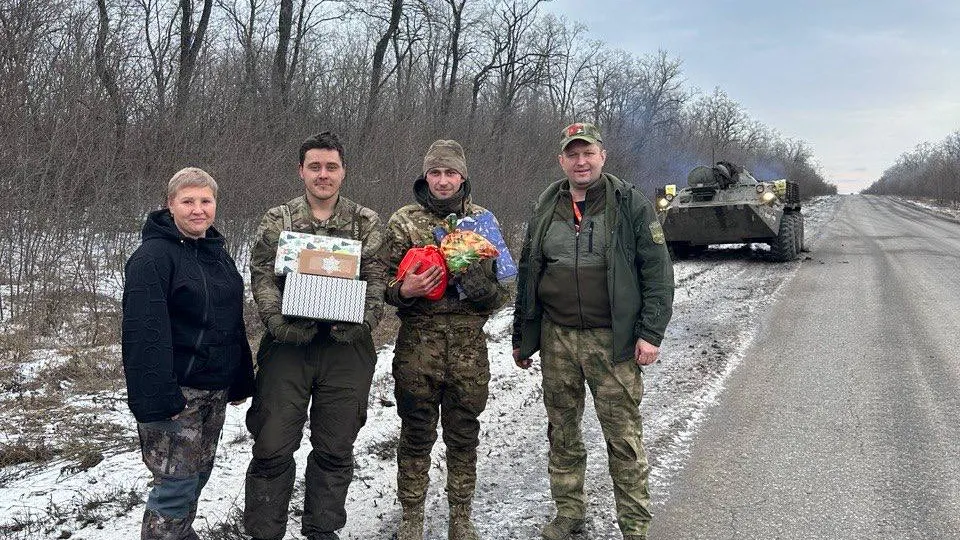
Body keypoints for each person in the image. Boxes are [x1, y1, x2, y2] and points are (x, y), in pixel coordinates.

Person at [511, 123, 674, 540]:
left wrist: (650, 332)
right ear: (561, 160)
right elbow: (530, 271)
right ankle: (569, 513)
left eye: (589, 154)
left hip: (613, 340)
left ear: (602, 156)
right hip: (558, 337)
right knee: (562, 433)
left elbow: (657, 272)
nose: (581, 162)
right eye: (573, 154)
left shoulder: (630, 204)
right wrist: (524, 336)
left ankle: (635, 525)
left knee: (623, 438)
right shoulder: (547, 203)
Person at [243, 131, 387, 540]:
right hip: (289, 344)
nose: (323, 175)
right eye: (315, 167)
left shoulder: (366, 221)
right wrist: (276, 322)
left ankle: (322, 531)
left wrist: (363, 321)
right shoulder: (279, 219)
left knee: (336, 446)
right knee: (272, 443)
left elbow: (377, 279)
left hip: (346, 346)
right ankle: (264, 532)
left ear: (344, 171)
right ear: (301, 171)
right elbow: (261, 275)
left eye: (332, 167)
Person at [383, 140, 508, 540]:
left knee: (463, 434)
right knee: (416, 433)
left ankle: (461, 517)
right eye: (435, 173)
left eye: (450, 173)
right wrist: (404, 289)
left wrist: (479, 286)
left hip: (469, 346)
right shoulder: (403, 221)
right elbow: (378, 282)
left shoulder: (483, 221)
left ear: (463, 177)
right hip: (418, 344)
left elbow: (506, 287)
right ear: (425, 176)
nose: (442, 181)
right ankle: (412, 518)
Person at [121, 167, 255, 540]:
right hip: (175, 394)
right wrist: (160, 397)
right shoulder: (153, 258)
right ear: (170, 205)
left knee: (196, 478)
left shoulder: (216, 253)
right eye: (188, 201)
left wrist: (239, 377)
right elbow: (142, 333)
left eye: (206, 201)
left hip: (213, 390)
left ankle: (180, 534)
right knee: (174, 488)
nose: (198, 209)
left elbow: (231, 321)